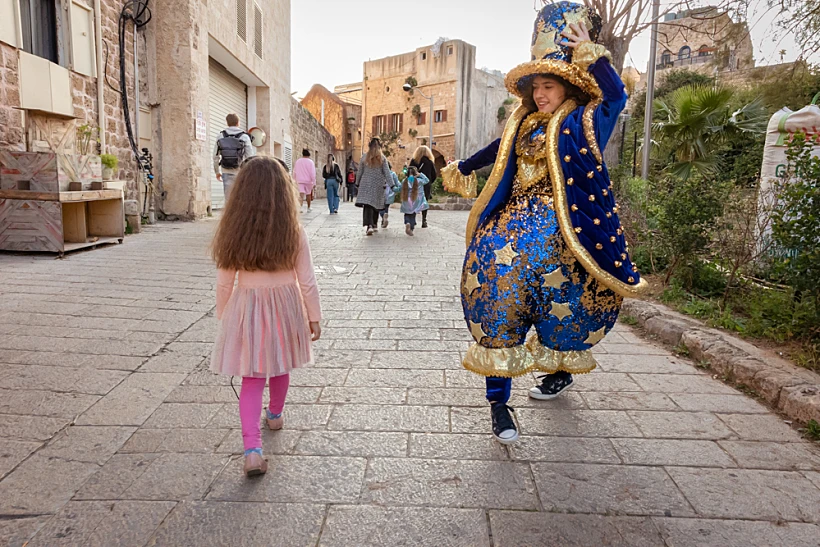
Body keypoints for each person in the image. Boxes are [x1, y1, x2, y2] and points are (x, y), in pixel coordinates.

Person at [441, 3, 645, 445]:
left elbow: (616, 98)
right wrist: (464, 165)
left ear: (567, 86)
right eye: (535, 87)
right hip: (506, 247)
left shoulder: (584, 123)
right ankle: (499, 406)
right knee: (497, 311)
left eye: (547, 86)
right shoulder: (521, 124)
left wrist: (595, 55)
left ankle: (558, 374)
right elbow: (497, 150)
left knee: (563, 313)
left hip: (566, 245)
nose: (539, 95)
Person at [210, 157, 322, 476]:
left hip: (248, 306)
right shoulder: (294, 232)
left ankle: (252, 450)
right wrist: (314, 316)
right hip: (286, 307)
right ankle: (274, 415)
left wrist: (225, 315)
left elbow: (224, 281)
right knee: (280, 364)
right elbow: (308, 280)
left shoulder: (234, 233)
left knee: (252, 376)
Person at [214, 113, 254, 204]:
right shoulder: (244, 137)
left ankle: (229, 217)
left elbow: (215, 156)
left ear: (227, 123)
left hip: (226, 170)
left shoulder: (221, 136)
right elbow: (250, 157)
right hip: (240, 171)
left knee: (229, 201)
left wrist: (217, 172)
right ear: (238, 123)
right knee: (242, 199)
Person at [356, 138, 391, 236]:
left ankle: (369, 225)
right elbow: (387, 173)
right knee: (376, 205)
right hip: (378, 185)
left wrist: (357, 182)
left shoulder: (364, 157)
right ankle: (374, 224)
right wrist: (392, 184)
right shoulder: (382, 158)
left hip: (366, 184)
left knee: (368, 205)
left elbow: (360, 171)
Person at [409, 146, 437, 228]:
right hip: (425, 185)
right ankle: (424, 220)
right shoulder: (429, 162)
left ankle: (412, 220)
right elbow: (434, 175)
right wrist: (429, 182)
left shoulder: (413, 161)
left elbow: (408, 172)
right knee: (424, 202)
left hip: (414, 184)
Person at [400, 166, 429, 236]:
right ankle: (411, 228)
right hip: (415, 199)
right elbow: (427, 180)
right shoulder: (419, 181)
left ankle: (407, 223)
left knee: (407, 213)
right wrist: (420, 174)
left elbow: (400, 187)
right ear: (415, 172)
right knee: (413, 214)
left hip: (406, 199)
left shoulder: (404, 181)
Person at [380, 162, 402, 228]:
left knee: (380, 208)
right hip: (390, 193)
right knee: (386, 207)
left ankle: (383, 217)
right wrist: (399, 189)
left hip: (381, 193)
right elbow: (398, 183)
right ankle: (384, 218)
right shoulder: (393, 174)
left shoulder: (380, 174)